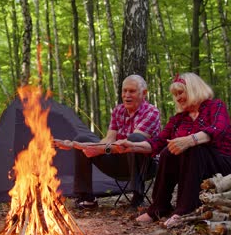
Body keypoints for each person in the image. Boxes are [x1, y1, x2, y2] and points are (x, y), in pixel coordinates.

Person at [116, 72, 231, 226]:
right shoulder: (178, 120)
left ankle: (185, 209)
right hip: (194, 170)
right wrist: (132, 146)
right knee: (168, 151)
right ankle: (159, 207)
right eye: (175, 95)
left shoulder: (215, 106)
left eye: (180, 92)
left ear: (194, 89)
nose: (178, 98)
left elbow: (218, 129)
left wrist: (190, 140)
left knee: (193, 147)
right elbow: (157, 142)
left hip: (223, 166)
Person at [54, 74, 161, 209]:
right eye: (124, 91)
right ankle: (86, 198)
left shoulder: (151, 112)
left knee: (135, 139)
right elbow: (108, 139)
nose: (127, 95)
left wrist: (99, 149)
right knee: (82, 139)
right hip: (119, 162)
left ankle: (138, 197)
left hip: (146, 165)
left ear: (144, 93)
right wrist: (74, 145)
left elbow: (130, 144)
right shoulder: (118, 110)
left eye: (132, 91)